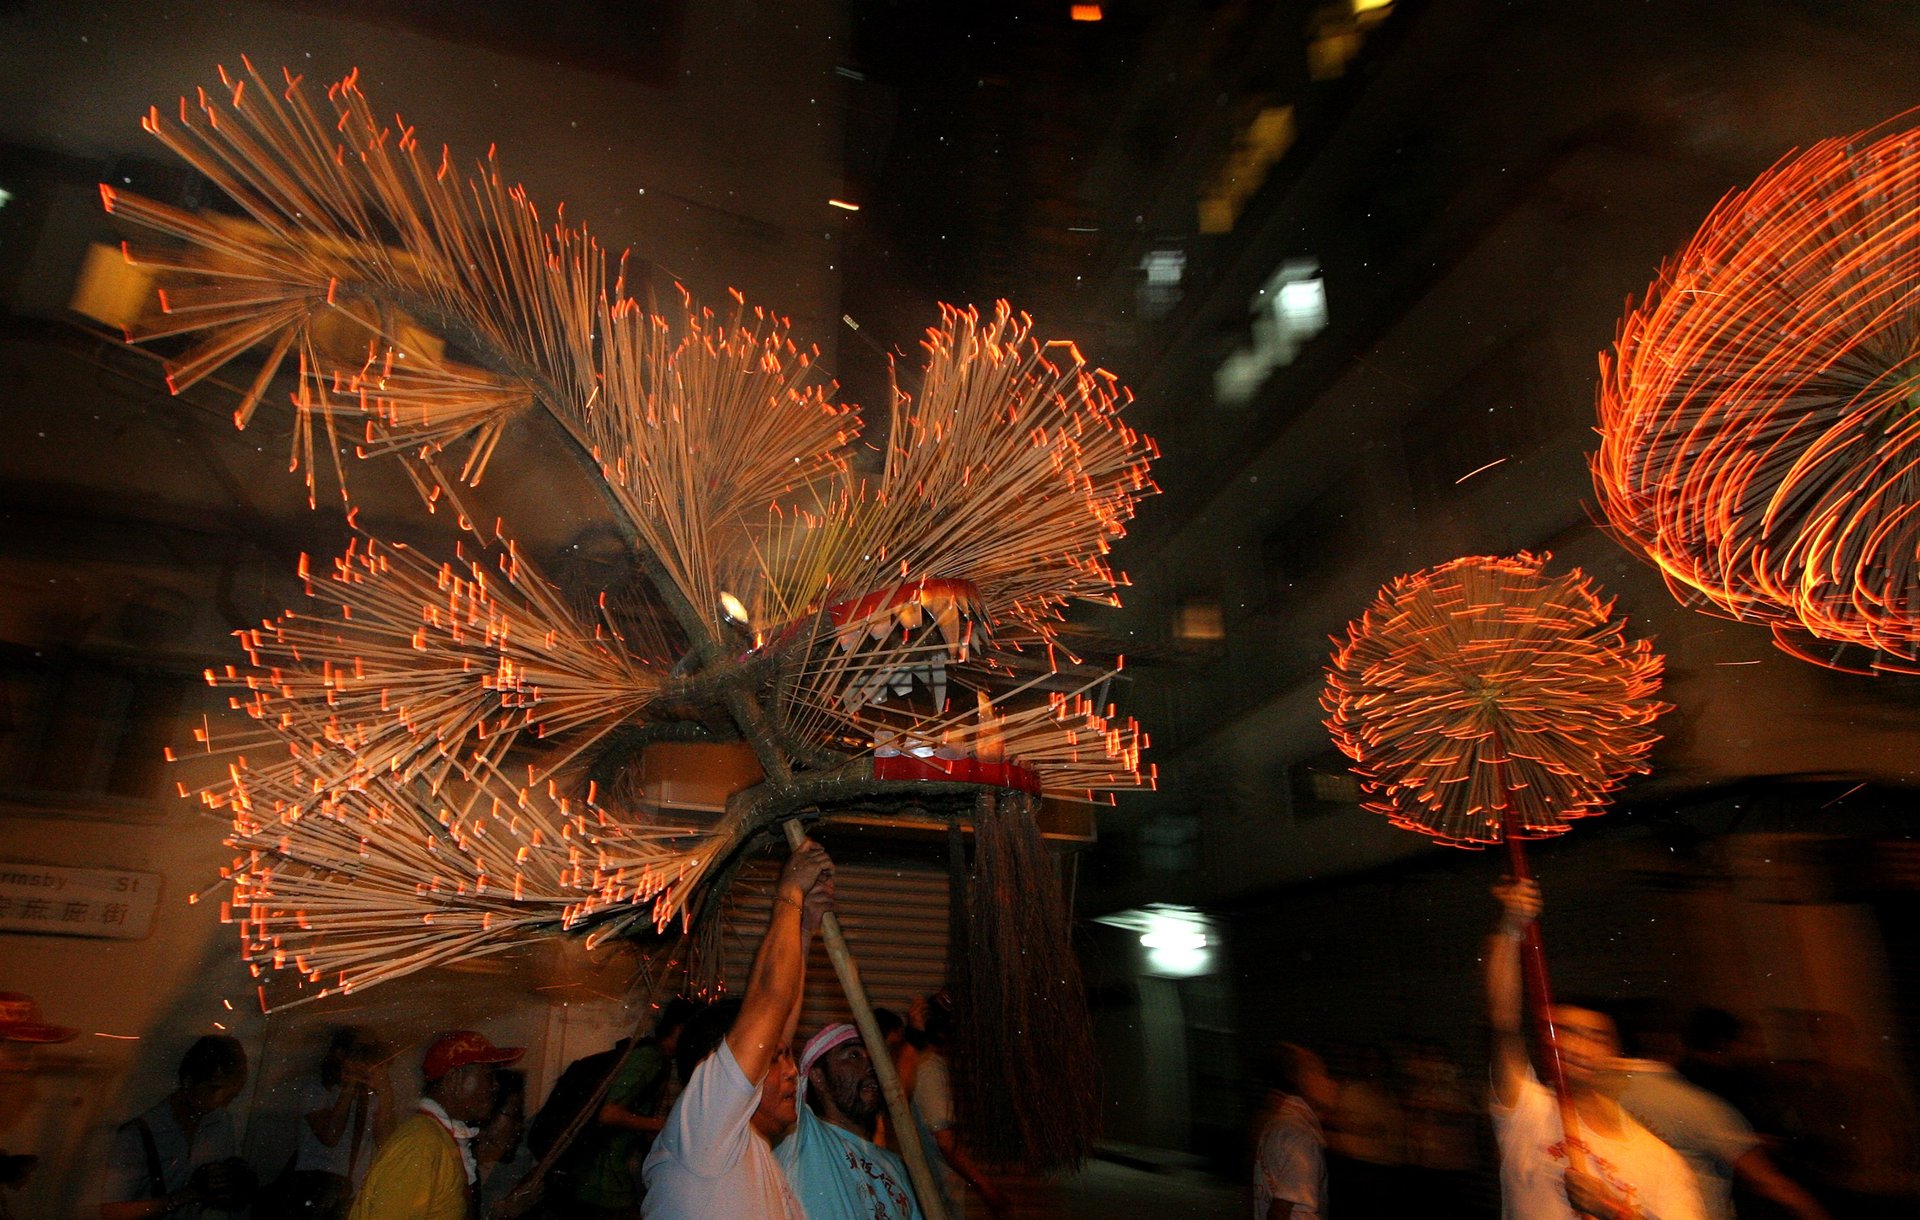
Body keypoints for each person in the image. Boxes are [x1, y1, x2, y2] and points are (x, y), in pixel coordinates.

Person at [1488, 879, 1705, 1220]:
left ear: (1616, 1055)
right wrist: (1511, 927)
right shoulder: (1526, 1110)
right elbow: (1503, 1022)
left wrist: (1610, 1209)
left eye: (1595, 1037)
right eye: (1564, 1032)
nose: (1576, 1046)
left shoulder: (1661, 1160)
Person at [640, 837, 834, 1219]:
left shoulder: (746, 1150)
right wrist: (790, 892)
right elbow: (769, 1000)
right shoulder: (705, 1131)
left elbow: (778, 1012)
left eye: (786, 1058)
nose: (793, 1072)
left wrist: (804, 926)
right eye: (776, 1060)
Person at [1607, 1022, 1831, 1220]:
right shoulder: (1695, 1104)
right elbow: (1763, 1178)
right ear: (1673, 1044)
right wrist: (1811, 1211)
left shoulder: (1601, 1095)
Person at [540, 997, 699, 1218]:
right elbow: (608, 1113)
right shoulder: (648, 1058)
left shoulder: (657, 1059)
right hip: (601, 1180)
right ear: (680, 1030)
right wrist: (661, 1125)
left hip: (605, 1177)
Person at [347, 1029, 524, 1220]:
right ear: (454, 1078)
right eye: (488, 1075)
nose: (495, 1086)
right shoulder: (422, 1144)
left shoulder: (437, 1138)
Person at [102, 1034, 256, 1219]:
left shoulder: (220, 1123)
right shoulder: (138, 1134)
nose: (220, 1099)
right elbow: (111, 1212)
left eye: (230, 1093)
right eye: (213, 1088)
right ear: (188, 1080)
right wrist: (185, 1196)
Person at [778, 1022, 922, 1219]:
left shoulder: (896, 1168)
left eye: (873, 1057)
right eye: (853, 1055)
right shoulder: (802, 1136)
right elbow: (774, 1047)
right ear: (818, 1076)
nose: (871, 1066)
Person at [274, 1027, 395, 1219]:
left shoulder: (371, 1098)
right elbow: (330, 1136)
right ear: (339, 1055)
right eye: (357, 1054)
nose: (363, 1061)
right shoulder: (316, 1090)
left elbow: (386, 1145)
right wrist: (348, 1088)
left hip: (350, 1195)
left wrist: (385, 1090)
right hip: (313, 1190)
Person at [909, 993, 1007, 1216]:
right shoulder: (930, 1069)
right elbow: (946, 1143)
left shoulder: (922, 1065)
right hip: (938, 1201)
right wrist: (986, 1187)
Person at [1252, 1043, 1334, 1220]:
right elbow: (1279, 1212)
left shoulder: (1281, 1122)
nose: (1331, 1082)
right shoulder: (1300, 1136)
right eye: (1320, 1073)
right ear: (1300, 1081)